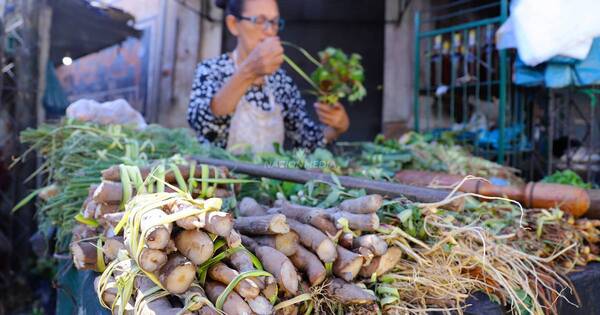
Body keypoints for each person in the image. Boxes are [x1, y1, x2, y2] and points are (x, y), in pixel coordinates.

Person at [187, 0, 350, 154]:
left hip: (267, 181)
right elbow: (203, 124)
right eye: (259, 20)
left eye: (274, 22)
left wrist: (335, 129)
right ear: (233, 24)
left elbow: (305, 142)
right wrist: (248, 72)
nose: (270, 30)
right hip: (219, 181)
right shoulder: (211, 70)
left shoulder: (281, 81)